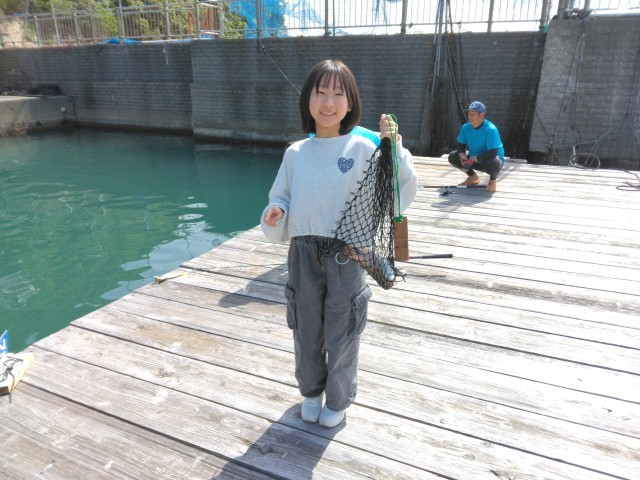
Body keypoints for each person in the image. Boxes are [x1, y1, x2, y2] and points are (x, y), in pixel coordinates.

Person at [261, 59, 418, 428]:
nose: (328, 102)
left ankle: (338, 399)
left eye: (338, 94)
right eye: (320, 93)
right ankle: (310, 392)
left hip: (350, 252)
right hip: (303, 253)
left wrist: (394, 147)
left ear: (351, 103)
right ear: (308, 99)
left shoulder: (364, 146)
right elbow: (280, 196)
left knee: (342, 328)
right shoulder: (295, 152)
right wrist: (275, 211)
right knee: (305, 327)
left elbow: (400, 190)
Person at [448, 101, 505, 193]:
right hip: (473, 159)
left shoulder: (491, 129)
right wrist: (462, 155)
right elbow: (460, 145)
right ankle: (472, 177)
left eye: (473, 114)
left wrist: (476, 158)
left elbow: (493, 152)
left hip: (490, 160)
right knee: (452, 156)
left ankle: (492, 181)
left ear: (481, 115)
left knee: (494, 162)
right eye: (469, 114)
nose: (469, 117)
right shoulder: (466, 127)